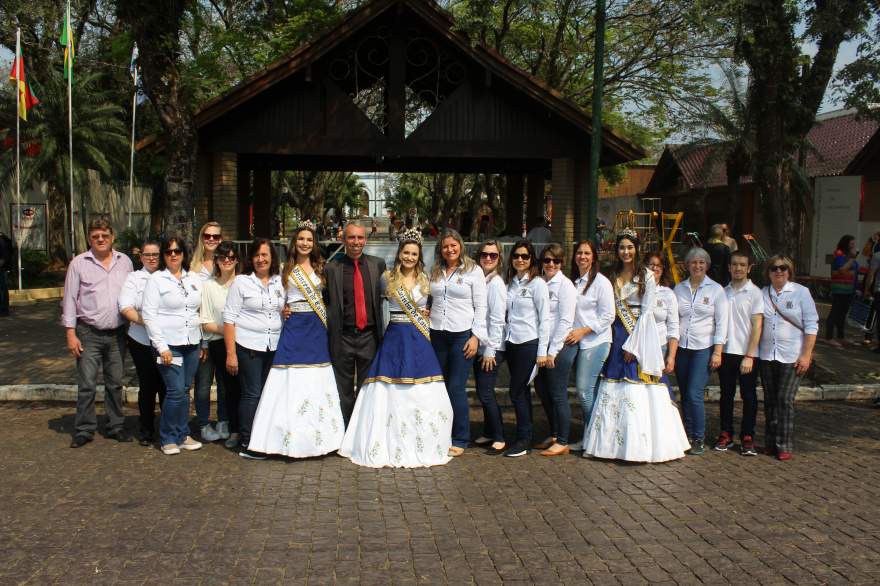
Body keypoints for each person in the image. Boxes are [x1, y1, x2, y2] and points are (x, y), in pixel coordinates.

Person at [340, 228, 454, 467]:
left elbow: (435, 305)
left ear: (419, 256)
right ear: (399, 253)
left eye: (414, 253)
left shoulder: (427, 279)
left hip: (419, 340)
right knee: (387, 387)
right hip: (394, 338)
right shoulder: (386, 277)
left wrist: (428, 312)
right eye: (406, 252)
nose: (409, 257)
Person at [583, 230, 690, 462]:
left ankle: (642, 446)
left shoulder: (646, 276)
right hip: (617, 333)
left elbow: (648, 312)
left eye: (630, 247)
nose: (626, 252)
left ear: (637, 249)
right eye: (622, 247)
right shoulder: (610, 275)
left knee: (640, 386)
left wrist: (635, 345)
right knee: (614, 383)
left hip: (640, 335)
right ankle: (613, 446)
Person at [248, 224, 345, 458]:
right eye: (301, 238)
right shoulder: (284, 269)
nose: (304, 243)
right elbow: (277, 296)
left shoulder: (323, 268)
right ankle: (279, 440)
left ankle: (322, 441)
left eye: (309, 239)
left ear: (314, 243)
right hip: (293, 329)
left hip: (316, 329)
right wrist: (283, 310)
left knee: (316, 377)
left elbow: (331, 300)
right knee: (288, 377)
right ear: (295, 242)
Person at [62, 218, 133, 448]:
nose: (100, 239)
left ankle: (115, 426)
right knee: (87, 384)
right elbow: (70, 301)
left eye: (104, 235)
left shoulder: (125, 262)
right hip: (88, 333)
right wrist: (70, 334)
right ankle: (84, 429)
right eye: (95, 236)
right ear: (89, 239)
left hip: (118, 334)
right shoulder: (78, 263)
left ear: (112, 237)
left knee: (114, 383)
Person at [141, 235, 204, 455]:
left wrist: (202, 342)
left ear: (184, 254)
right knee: (175, 390)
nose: (174, 255)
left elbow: (199, 311)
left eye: (177, 251)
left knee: (185, 390)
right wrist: (161, 346)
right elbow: (149, 315)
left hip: (192, 343)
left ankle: (183, 434)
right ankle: (168, 437)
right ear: (163, 256)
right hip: (170, 345)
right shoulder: (156, 280)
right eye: (169, 252)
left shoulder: (194, 279)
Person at [223, 238, 285, 459]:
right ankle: (248, 441)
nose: (261, 259)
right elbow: (229, 319)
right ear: (251, 258)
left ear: (272, 258)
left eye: (265, 255)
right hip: (248, 346)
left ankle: (264, 438)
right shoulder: (241, 282)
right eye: (257, 255)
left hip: (274, 346)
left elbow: (283, 310)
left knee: (268, 394)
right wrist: (231, 354)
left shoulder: (280, 281)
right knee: (252, 394)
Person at [429, 228, 488, 456]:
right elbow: (430, 298)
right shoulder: (435, 271)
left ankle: (461, 437)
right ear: (441, 250)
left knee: (456, 387)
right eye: (445, 246)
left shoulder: (474, 271)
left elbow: (481, 306)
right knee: (439, 385)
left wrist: (476, 336)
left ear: (460, 246)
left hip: (461, 335)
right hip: (437, 334)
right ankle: (442, 432)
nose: (450, 249)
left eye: (453, 245)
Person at [326, 222, 386, 426]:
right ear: (343, 240)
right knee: (342, 388)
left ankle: (361, 430)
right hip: (342, 336)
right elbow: (323, 300)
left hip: (369, 336)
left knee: (366, 387)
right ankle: (344, 429)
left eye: (360, 238)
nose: (356, 242)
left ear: (366, 240)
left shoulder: (378, 265)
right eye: (351, 238)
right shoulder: (331, 268)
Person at [759, 255, 818, 460]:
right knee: (770, 400)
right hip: (767, 354)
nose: (779, 271)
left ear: (789, 271)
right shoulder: (762, 293)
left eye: (783, 268)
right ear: (768, 272)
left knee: (785, 399)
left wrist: (806, 355)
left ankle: (783, 444)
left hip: (792, 355)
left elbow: (811, 325)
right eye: (774, 268)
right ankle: (770, 441)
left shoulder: (801, 293)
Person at [674, 247, 729, 455]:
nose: (697, 266)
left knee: (694, 393)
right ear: (687, 265)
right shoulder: (679, 289)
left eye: (701, 262)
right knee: (685, 394)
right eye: (693, 262)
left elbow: (722, 323)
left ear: (707, 265)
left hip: (702, 349)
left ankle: (698, 436)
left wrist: (717, 351)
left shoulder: (716, 290)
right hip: (681, 348)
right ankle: (686, 434)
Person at [501, 239, 550, 457]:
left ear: (531, 260)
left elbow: (545, 319)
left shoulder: (537, 284)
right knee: (522, 392)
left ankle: (523, 439)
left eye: (525, 256)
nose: (520, 260)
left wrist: (542, 352)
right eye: (516, 256)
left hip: (528, 343)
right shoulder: (510, 283)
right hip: (512, 342)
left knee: (516, 391)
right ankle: (526, 434)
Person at [566, 240, 614, 452]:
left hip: (595, 341)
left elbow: (608, 315)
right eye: (579, 253)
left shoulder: (601, 283)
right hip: (577, 343)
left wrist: (583, 331)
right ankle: (592, 436)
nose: (582, 257)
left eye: (587, 253)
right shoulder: (574, 281)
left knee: (584, 390)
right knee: (588, 391)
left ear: (594, 257)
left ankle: (596, 438)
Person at [715, 251, 763, 456]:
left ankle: (747, 436)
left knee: (749, 396)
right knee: (726, 395)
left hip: (747, 354)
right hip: (726, 352)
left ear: (749, 268)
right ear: (729, 267)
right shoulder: (722, 292)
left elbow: (757, 325)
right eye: (734, 264)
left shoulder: (755, 293)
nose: (738, 268)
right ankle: (726, 433)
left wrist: (750, 356)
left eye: (742, 265)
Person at [118, 238, 165, 446]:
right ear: (141, 257)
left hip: (168, 341)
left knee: (167, 386)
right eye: (148, 255)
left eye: (155, 254)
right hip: (141, 341)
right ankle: (146, 429)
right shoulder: (134, 279)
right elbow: (125, 306)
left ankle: (167, 428)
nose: (152, 258)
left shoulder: (169, 276)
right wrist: (148, 322)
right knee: (148, 386)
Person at [533, 243, 577, 456]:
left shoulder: (565, 285)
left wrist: (553, 351)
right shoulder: (540, 282)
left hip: (559, 347)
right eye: (547, 260)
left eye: (556, 261)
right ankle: (554, 432)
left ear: (562, 263)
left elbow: (565, 321)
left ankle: (563, 440)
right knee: (542, 389)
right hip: (543, 346)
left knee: (558, 393)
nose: (551, 264)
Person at [199, 240, 241, 449]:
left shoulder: (243, 283)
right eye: (223, 257)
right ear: (216, 260)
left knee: (243, 389)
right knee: (225, 388)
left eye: (231, 257)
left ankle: (240, 425)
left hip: (244, 343)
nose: (227, 261)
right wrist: (229, 329)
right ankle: (230, 425)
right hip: (218, 343)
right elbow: (206, 322)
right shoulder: (208, 286)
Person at [189, 222, 225, 442]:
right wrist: (201, 342)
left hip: (222, 335)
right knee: (202, 385)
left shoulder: (227, 263)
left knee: (223, 384)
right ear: (201, 238)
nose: (211, 239)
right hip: (201, 336)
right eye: (207, 235)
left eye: (216, 236)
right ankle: (202, 423)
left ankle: (223, 420)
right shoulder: (192, 269)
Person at [472, 240, 508, 455]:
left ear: (499, 259)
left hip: (492, 347)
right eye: (484, 254)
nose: (487, 258)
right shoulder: (481, 280)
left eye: (493, 255)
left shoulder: (496, 284)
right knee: (481, 390)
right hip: (480, 344)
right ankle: (488, 431)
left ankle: (500, 437)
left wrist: (490, 350)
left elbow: (497, 320)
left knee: (486, 393)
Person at [645, 252, 679, 401]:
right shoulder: (635, 289)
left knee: (658, 390)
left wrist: (671, 356)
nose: (655, 268)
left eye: (658, 265)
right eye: (651, 264)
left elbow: (673, 326)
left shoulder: (668, 294)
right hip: (638, 347)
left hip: (660, 346)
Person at [826, 234, 859, 348]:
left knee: (842, 314)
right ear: (846, 244)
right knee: (835, 312)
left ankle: (841, 336)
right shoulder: (839, 254)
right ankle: (829, 337)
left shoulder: (849, 256)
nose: (854, 246)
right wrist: (853, 259)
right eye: (851, 243)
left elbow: (853, 272)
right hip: (839, 289)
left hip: (848, 289)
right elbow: (841, 270)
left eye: (854, 243)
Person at [0, 228, 12, 316]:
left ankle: (4, 310)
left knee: (2, 289)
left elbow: (4, 258)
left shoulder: (2, 241)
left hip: (2, 270)